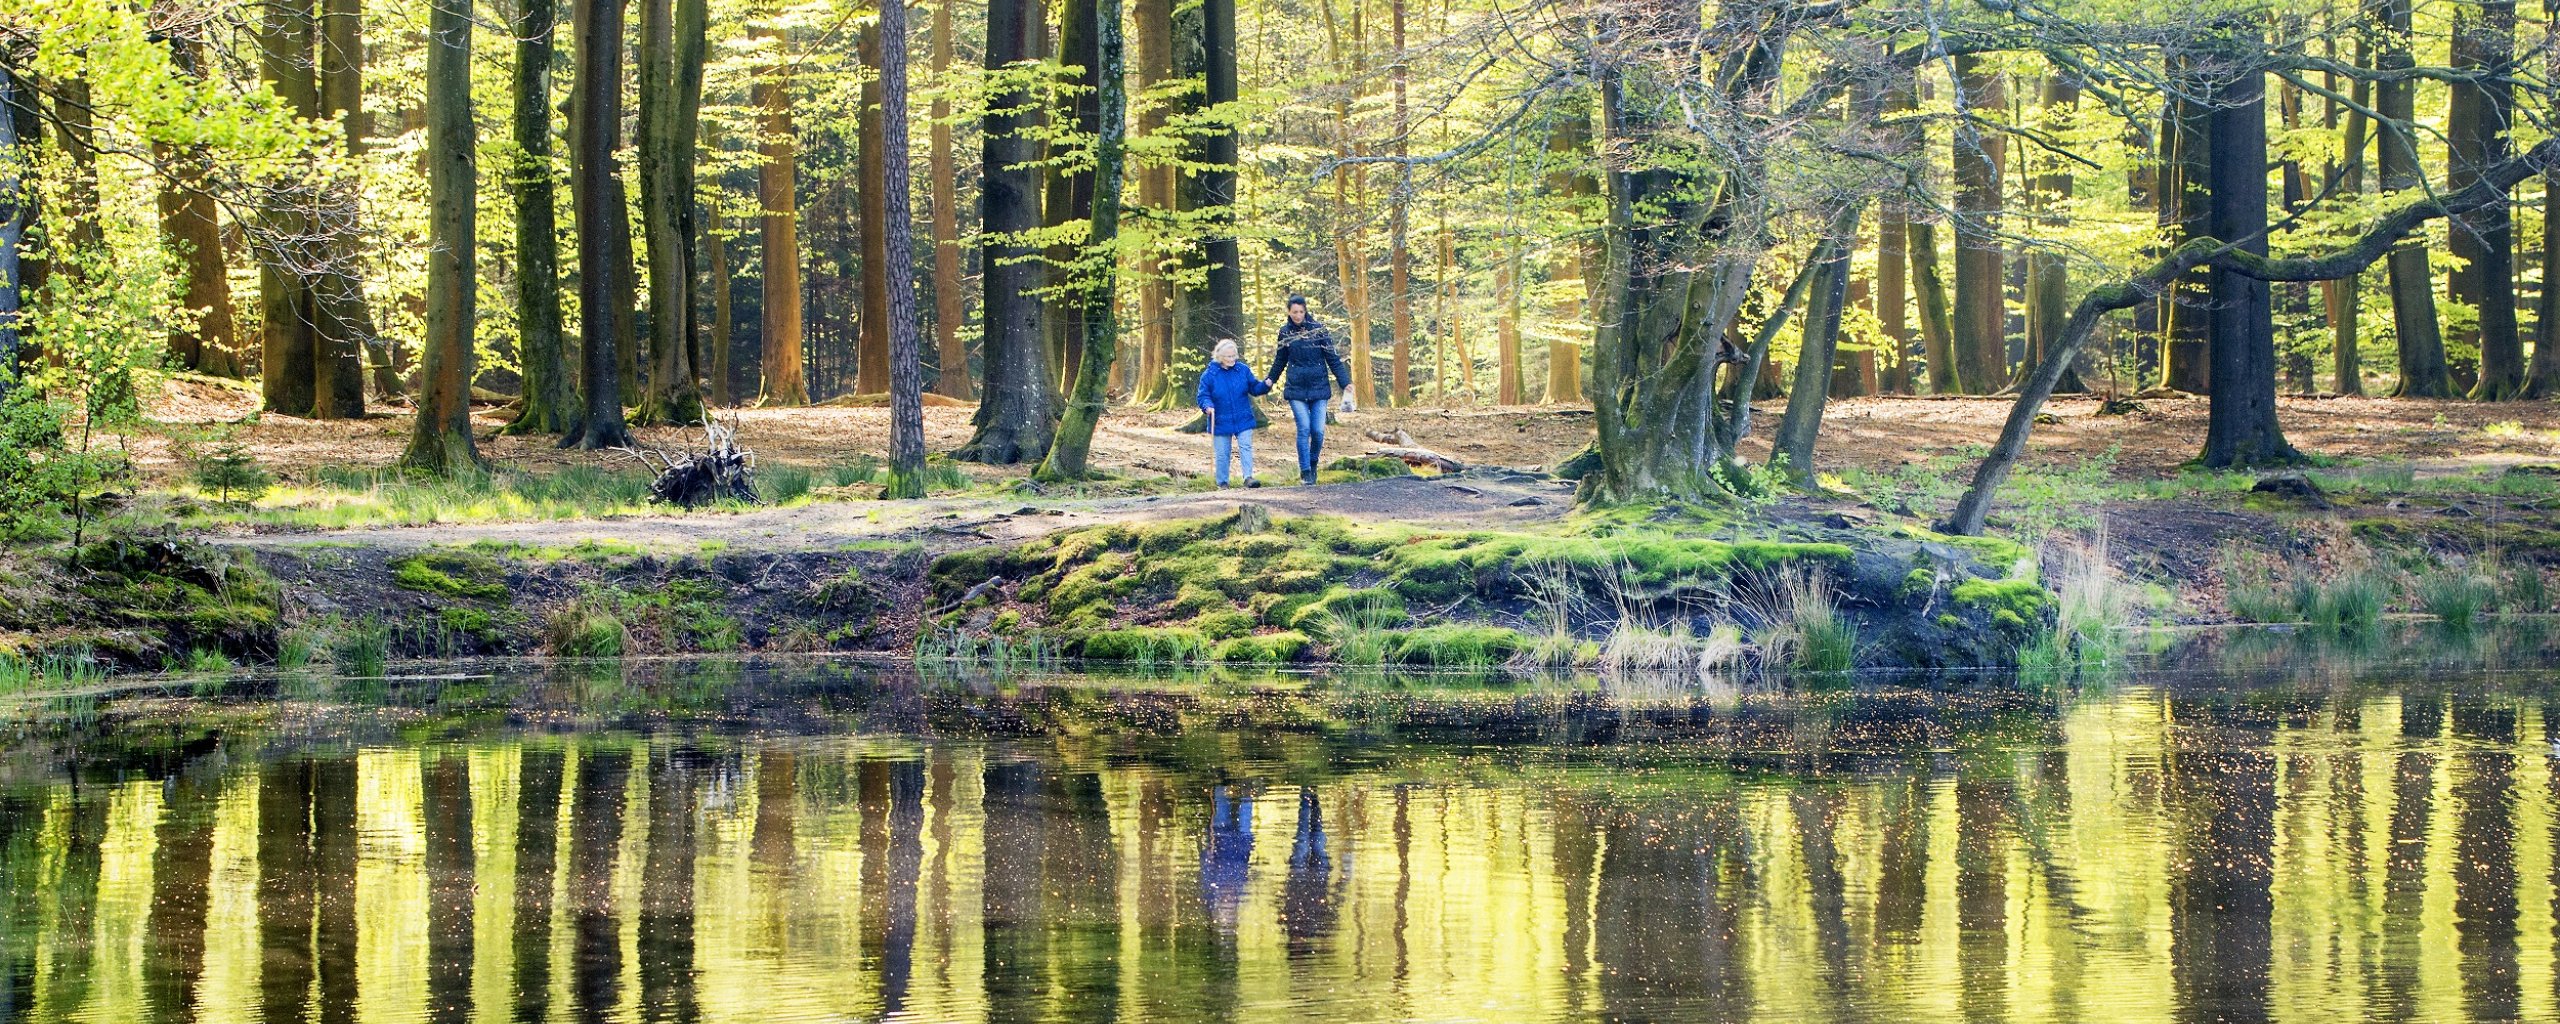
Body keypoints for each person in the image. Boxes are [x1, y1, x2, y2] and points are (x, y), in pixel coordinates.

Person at [1267, 295, 1355, 484]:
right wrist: (1270, 379)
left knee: (1317, 431)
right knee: (1304, 428)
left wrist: (1345, 381)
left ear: (1305, 311)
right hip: (1296, 388)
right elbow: (1280, 360)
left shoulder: (1319, 330)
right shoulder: (1285, 333)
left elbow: (1332, 358)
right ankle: (1305, 471)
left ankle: (1313, 462)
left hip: (1319, 387)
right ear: (1289, 312)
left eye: (1301, 311)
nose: (1298, 315)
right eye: (1294, 312)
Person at [1195, 338, 1270, 487]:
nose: (1232, 359)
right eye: (1228, 356)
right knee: (1223, 453)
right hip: (1220, 419)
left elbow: (1254, 388)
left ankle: (1248, 478)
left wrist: (1265, 385)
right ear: (1220, 357)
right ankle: (1223, 482)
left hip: (1242, 417)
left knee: (1246, 446)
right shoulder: (1210, 374)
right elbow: (1203, 396)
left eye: (1234, 356)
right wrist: (1207, 406)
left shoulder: (1242, 370)